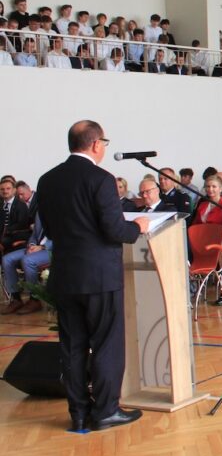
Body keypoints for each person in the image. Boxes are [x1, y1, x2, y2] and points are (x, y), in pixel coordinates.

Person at [36, 120, 150, 431]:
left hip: (65, 275)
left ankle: (80, 413)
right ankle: (106, 410)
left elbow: (48, 225)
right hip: (100, 276)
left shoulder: (47, 180)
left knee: (72, 346)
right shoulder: (101, 179)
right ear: (97, 144)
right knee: (106, 342)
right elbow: (115, 230)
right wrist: (138, 227)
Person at [1, 214, 50, 315]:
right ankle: (16, 299)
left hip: (52, 249)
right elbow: (34, 234)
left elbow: (65, 236)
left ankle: (34, 299)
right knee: (7, 259)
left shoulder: (63, 210)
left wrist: (42, 247)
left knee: (28, 260)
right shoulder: (40, 211)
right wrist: (31, 245)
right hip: (35, 247)